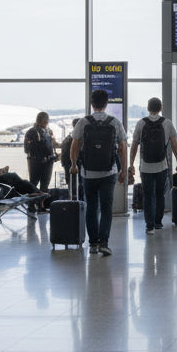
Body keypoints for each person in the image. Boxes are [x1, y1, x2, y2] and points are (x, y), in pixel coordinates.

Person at [70, 90, 127, 256]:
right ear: (106, 103)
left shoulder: (83, 122)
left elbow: (74, 146)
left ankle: (93, 243)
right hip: (109, 172)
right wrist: (123, 169)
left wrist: (74, 164)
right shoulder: (115, 122)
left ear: (92, 103)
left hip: (88, 173)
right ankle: (104, 243)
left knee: (91, 207)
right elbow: (122, 148)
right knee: (106, 208)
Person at [129, 97, 177, 234]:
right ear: (160, 108)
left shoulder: (141, 123)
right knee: (160, 194)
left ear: (148, 108)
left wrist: (131, 163)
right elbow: (174, 145)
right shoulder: (167, 123)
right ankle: (158, 222)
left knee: (148, 195)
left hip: (145, 166)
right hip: (162, 166)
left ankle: (149, 225)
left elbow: (134, 145)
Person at [24, 112, 57, 194]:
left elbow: (53, 144)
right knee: (33, 185)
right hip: (36, 162)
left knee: (44, 186)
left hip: (47, 162)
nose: (46, 123)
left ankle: (41, 204)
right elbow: (27, 149)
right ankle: (33, 205)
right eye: (45, 121)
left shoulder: (49, 131)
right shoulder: (32, 132)